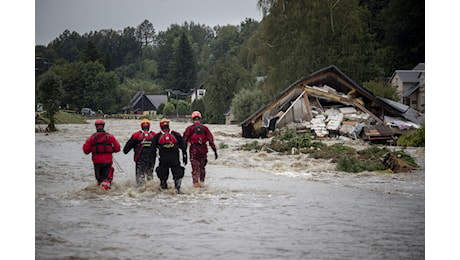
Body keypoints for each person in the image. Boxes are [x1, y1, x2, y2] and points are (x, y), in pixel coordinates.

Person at [151, 118, 187, 194]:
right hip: (175, 159)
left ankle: (164, 189)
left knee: (163, 177)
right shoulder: (176, 134)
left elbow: (152, 150)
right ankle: (177, 189)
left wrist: (152, 161)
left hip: (163, 160)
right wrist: (185, 156)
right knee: (177, 175)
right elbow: (183, 147)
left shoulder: (157, 136)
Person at [83, 119, 121, 190]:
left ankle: (100, 193)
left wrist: (93, 149)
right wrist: (110, 150)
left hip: (96, 162)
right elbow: (117, 148)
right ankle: (105, 191)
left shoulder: (91, 138)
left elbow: (86, 150)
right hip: (107, 161)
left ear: (96, 127)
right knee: (107, 179)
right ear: (103, 126)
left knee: (99, 179)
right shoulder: (110, 137)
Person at [182, 111, 217, 188]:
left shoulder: (189, 128)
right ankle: (202, 183)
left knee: (195, 168)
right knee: (202, 168)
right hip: (203, 149)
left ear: (192, 119)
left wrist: (184, 152)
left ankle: (196, 186)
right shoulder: (205, 128)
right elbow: (211, 140)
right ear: (200, 119)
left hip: (194, 149)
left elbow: (184, 140)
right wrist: (215, 150)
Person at [123, 119, 157, 187]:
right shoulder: (155, 135)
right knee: (149, 174)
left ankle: (140, 189)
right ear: (149, 126)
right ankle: (151, 188)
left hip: (140, 158)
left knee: (140, 175)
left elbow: (126, 150)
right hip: (151, 159)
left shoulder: (136, 135)